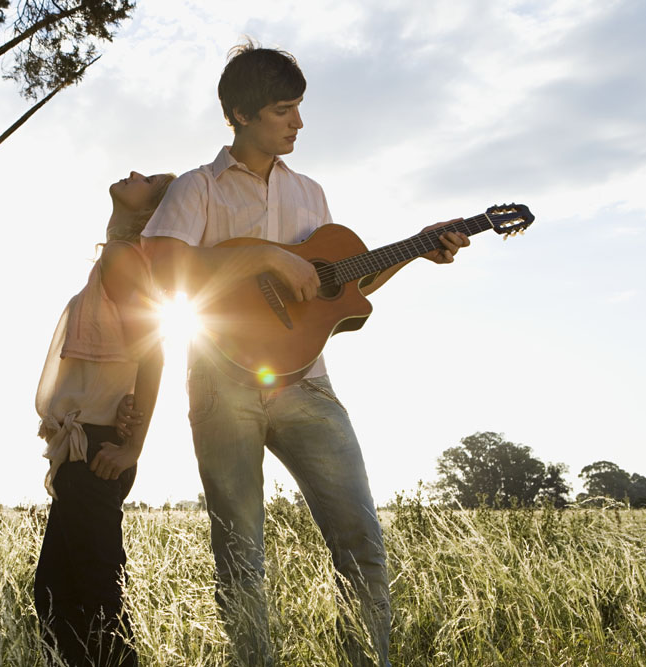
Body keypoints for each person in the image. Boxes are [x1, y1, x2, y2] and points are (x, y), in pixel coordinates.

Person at [138, 44, 470, 666]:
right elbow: (164, 271)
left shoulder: (311, 194)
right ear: (239, 114)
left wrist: (418, 249)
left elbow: (339, 292)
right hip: (221, 383)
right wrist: (264, 255)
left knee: (362, 543)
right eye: (283, 110)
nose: (297, 122)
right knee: (241, 555)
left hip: (309, 386)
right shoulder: (197, 189)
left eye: (299, 108)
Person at [33, 170, 175, 667]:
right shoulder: (115, 258)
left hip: (96, 450)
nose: (134, 173)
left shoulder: (122, 257)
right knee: (55, 596)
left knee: (97, 604)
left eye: (147, 178)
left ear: (148, 208)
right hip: (85, 446)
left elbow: (153, 350)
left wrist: (133, 446)